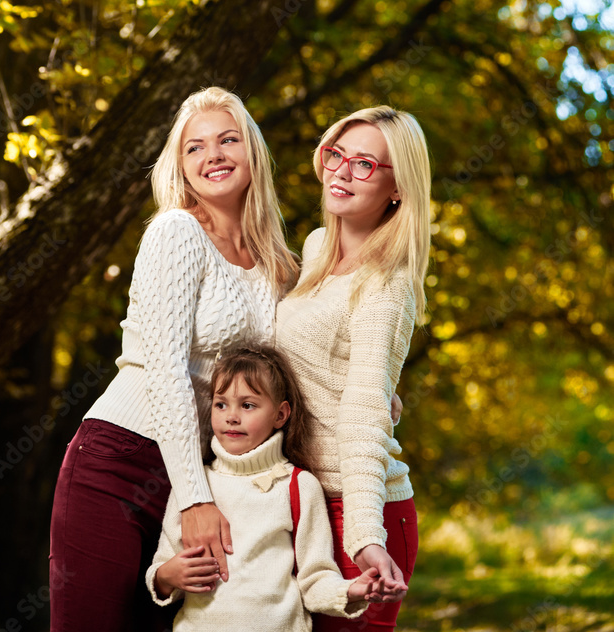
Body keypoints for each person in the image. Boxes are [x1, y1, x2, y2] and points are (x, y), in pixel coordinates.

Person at [48, 87, 299, 632]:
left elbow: (292, 366)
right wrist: (194, 501)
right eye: (195, 147)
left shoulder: (276, 263)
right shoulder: (175, 232)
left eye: (228, 140)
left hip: (203, 470)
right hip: (119, 460)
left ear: (252, 152)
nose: (213, 155)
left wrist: (374, 391)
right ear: (181, 168)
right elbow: (165, 370)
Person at [276, 105, 431, 631]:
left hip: (359, 508)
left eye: (364, 164)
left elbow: (364, 408)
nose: (341, 171)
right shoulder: (317, 250)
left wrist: (365, 535)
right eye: (336, 154)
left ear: (398, 189)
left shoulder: (387, 283)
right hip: (303, 504)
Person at [147, 346, 385, 631]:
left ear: (280, 414)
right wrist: (165, 577)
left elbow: (315, 578)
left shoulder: (300, 486)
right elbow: (163, 567)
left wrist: (349, 592)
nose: (231, 416)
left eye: (247, 405)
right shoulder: (195, 486)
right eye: (221, 404)